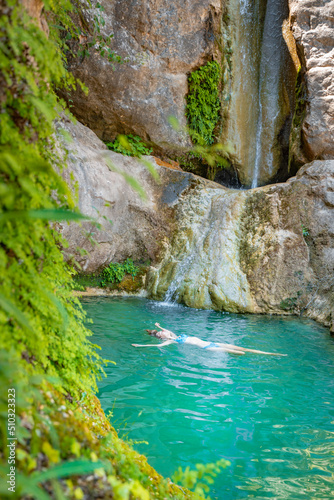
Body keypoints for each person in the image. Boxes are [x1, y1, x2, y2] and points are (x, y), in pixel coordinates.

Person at [132, 323, 287, 356]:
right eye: (160, 335)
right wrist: (141, 345)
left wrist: (156, 327)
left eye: (161, 332)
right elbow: (156, 346)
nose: (162, 334)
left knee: (243, 349)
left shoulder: (173, 334)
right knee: (240, 354)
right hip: (207, 347)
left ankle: (271, 354)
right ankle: (266, 355)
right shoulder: (172, 340)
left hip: (211, 342)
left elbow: (164, 328)